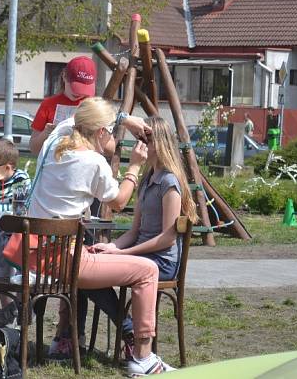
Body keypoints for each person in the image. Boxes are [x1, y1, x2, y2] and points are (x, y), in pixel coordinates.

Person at [26, 97, 174, 375]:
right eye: (113, 134)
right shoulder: (93, 161)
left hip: (37, 254)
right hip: (65, 260)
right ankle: (143, 357)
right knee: (148, 270)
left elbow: (76, 116)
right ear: (101, 132)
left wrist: (123, 119)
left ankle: (129, 332)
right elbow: (118, 202)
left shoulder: (55, 140)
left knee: (95, 261)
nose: (117, 141)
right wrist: (134, 167)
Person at [87, 117, 198, 368]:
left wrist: (125, 255)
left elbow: (167, 238)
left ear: (162, 143)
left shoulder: (169, 182)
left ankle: (131, 334)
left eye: (147, 139)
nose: (142, 144)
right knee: (86, 271)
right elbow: (135, 231)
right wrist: (113, 248)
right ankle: (127, 328)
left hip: (161, 261)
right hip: (142, 255)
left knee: (96, 270)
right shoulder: (148, 180)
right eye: (140, 139)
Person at [0, 139, 31, 327]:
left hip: (18, 239)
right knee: (1, 277)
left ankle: (20, 314)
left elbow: (20, 207)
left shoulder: (21, 179)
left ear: (8, 167)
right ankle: (9, 322)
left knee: (18, 278)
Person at [29, 55, 97, 155]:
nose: (79, 93)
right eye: (76, 87)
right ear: (64, 76)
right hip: (54, 165)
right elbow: (33, 148)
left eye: (84, 88)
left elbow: (111, 148)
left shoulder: (93, 106)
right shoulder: (48, 104)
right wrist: (45, 134)